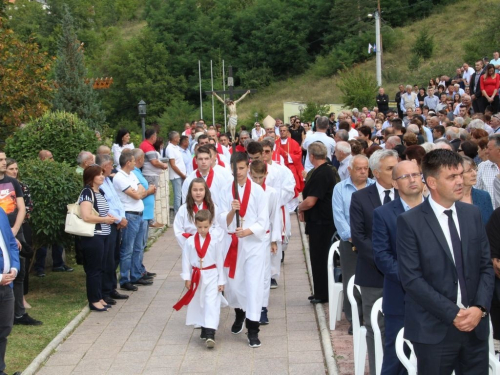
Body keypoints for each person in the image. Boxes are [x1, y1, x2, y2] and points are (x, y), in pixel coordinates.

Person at [397, 149, 494, 374]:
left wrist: (479, 308)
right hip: (434, 329)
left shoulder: (472, 214)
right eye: (452, 177)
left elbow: (485, 267)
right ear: (431, 181)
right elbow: (412, 279)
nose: (460, 181)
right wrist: (453, 314)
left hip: (475, 327)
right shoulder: (410, 222)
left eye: (460, 174)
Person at [372, 160, 424, 375]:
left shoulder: (437, 208)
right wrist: (413, 280)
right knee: (396, 358)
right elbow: (383, 257)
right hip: (401, 297)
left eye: (415, 174)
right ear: (394, 183)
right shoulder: (384, 214)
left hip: (440, 298)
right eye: (405, 176)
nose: (412, 180)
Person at [350, 149, 398, 375]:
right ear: (377, 172)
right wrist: (385, 261)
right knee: (375, 326)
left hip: (403, 272)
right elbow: (359, 236)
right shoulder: (360, 197)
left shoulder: (407, 195)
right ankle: (378, 369)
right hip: (373, 273)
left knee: (401, 326)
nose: (396, 172)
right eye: (390, 169)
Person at [219, 152, 269, 348]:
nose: (238, 172)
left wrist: (247, 231)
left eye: (241, 168)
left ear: (247, 167)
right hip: (233, 244)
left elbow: (263, 221)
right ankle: (240, 311)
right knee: (234, 284)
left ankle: (253, 328)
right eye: (235, 168)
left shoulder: (258, 191)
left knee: (253, 284)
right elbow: (221, 219)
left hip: (253, 245)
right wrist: (232, 210)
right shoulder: (225, 190)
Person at [332, 154, 374, 334]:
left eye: (366, 168)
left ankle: (371, 316)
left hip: (373, 242)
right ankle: (355, 318)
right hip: (351, 243)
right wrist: (353, 237)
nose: (363, 171)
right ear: (350, 170)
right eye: (359, 168)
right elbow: (339, 216)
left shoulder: (375, 186)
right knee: (352, 280)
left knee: (373, 282)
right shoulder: (340, 188)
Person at [173, 209, 226, 349]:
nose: (202, 230)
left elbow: (220, 261)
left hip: (212, 274)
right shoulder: (190, 242)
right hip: (197, 276)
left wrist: (221, 281)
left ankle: (210, 333)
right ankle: (203, 327)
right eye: (199, 227)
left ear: (210, 225)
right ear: (195, 225)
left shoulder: (215, 241)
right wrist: (187, 277)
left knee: (211, 302)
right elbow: (186, 260)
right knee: (199, 302)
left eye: (206, 227)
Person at [298, 143, 336, 304]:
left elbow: (311, 200)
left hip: (322, 222)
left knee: (320, 257)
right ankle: (320, 290)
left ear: (311, 156)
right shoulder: (327, 170)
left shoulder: (322, 173)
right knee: (318, 257)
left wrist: (299, 208)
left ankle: (322, 293)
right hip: (321, 221)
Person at [78, 165, 117, 312]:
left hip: (104, 234)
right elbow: (86, 216)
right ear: (91, 177)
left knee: (102, 267)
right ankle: (93, 299)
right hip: (94, 236)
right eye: (99, 175)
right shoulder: (87, 192)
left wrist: (108, 218)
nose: (102, 176)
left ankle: (99, 296)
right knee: (94, 269)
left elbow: (101, 212)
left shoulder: (99, 191)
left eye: (102, 174)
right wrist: (104, 220)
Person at [249, 160, 281, 325]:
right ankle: (248, 307)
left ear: (266, 175)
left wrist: (274, 240)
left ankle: (262, 308)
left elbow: (275, 216)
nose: (257, 181)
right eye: (254, 177)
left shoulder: (271, 193)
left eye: (260, 177)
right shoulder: (245, 191)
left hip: (265, 237)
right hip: (248, 237)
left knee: (264, 274)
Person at [95, 155, 130, 303]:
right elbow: (105, 206)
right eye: (110, 165)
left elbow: (117, 202)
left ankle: (111, 288)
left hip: (117, 223)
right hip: (108, 224)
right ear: (104, 167)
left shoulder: (109, 180)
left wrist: (122, 217)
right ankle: (105, 291)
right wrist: (117, 219)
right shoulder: (100, 184)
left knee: (115, 257)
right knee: (107, 259)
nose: (112, 167)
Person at [113, 152, 149, 292]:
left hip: (139, 214)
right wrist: (139, 193)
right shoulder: (120, 177)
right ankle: (124, 279)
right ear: (128, 162)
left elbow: (141, 189)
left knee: (138, 247)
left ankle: (135, 274)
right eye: (133, 161)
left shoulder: (132, 174)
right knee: (127, 248)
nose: (135, 163)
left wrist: (139, 192)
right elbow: (135, 195)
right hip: (130, 215)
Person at [34, 151, 73, 277]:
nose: (53, 159)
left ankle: (58, 264)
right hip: (43, 214)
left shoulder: (56, 172)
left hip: (55, 214)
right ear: (44, 158)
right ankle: (39, 268)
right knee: (42, 244)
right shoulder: (36, 172)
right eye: (51, 158)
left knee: (58, 240)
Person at [5, 159, 34, 310]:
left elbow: (27, 208)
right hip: (5, 230)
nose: (14, 171)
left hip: (20, 228)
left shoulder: (20, 186)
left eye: (16, 168)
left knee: (21, 264)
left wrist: (16, 228)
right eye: (11, 168)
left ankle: (21, 300)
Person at [0, 207, 20, 375]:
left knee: (4, 329)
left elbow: (11, 243)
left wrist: (14, 267)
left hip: (8, 284)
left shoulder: (0, 211)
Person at [174, 178, 217, 250]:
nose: (198, 193)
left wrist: (210, 241)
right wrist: (190, 244)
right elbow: (178, 230)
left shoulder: (213, 207)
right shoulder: (183, 209)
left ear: (205, 191)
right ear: (190, 191)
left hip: (209, 244)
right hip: (190, 244)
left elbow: (218, 227)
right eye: (195, 190)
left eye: (201, 190)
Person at [459, 156, 493, 224]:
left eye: (475, 170)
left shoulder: (484, 196)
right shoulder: (450, 199)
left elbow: (490, 225)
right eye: (469, 171)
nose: (475, 174)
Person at [275, 124, 304, 201]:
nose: (282, 132)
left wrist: (289, 156)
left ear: (287, 132)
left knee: (293, 185)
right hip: (279, 168)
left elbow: (298, 155)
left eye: (284, 130)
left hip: (290, 167)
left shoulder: (293, 143)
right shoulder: (275, 143)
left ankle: (293, 203)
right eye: (280, 131)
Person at [165, 131, 187, 214]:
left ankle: (181, 211)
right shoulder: (170, 148)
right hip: (176, 176)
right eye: (178, 137)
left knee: (182, 194)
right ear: (174, 139)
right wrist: (182, 174)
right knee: (178, 196)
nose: (179, 138)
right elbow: (173, 165)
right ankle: (177, 213)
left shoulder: (176, 147)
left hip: (181, 175)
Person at [476, 134, 500, 208]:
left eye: (489, 149)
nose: (486, 152)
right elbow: (476, 191)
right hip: (490, 216)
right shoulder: (483, 166)